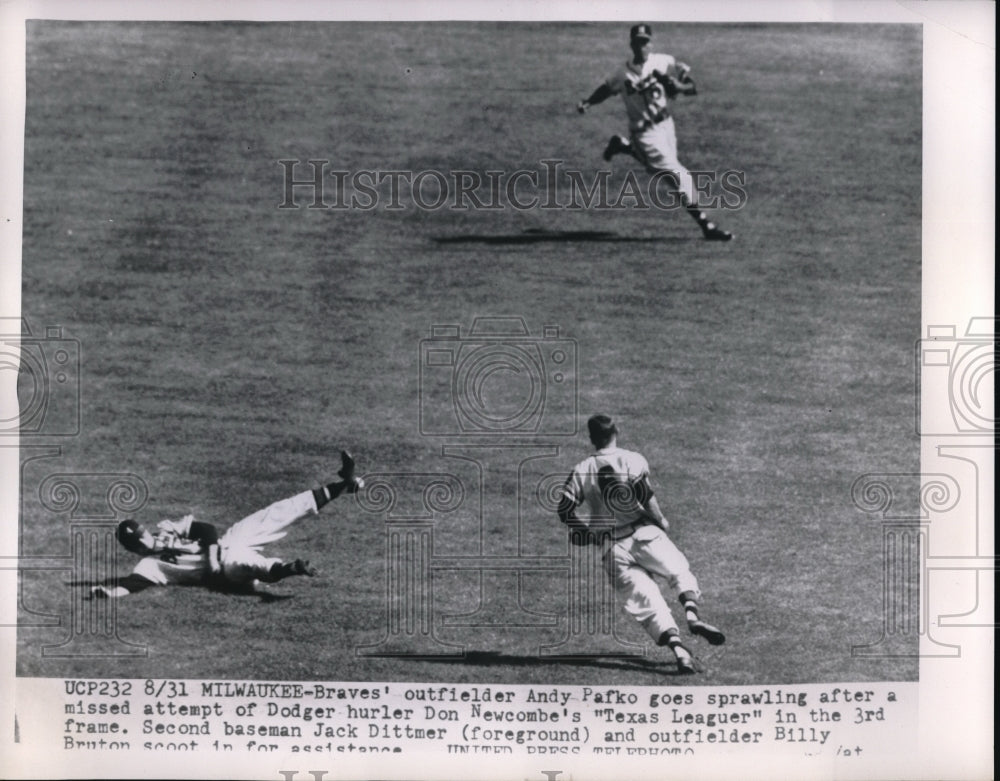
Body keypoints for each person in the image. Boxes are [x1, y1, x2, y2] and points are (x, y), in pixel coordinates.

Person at [557, 415, 725, 674]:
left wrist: (586, 532)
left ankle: (680, 652)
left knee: (648, 602)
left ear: (591, 439)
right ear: (617, 431)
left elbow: (564, 509)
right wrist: (661, 520)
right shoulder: (632, 459)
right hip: (644, 533)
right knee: (678, 571)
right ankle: (692, 616)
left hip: (612, 548)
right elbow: (646, 496)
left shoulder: (582, 469)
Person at [90, 451, 364, 598]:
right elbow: (133, 583)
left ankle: (344, 484)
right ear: (134, 548)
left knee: (276, 513)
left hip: (226, 544)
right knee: (247, 563)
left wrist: (209, 558)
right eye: (139, 540)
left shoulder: (167, 532)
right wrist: (110, 592)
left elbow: (206, 530)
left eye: (142, 533)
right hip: (225, 574)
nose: (145, 538)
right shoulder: (149, 566)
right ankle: (292, 568)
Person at [576, 23, 734, 241]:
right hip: (645, 135)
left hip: (667, 127)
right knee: (680, 178)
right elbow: (606, 89)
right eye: (637, 42)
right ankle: (707, 226)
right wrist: (588, 102)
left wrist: (679, 86)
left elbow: (692, 87)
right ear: (631, 44)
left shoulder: (665, 61)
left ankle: (623, 146)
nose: (642, 46)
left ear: (651, 43)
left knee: (663, 173)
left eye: (645, 41)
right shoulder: (622, 73)